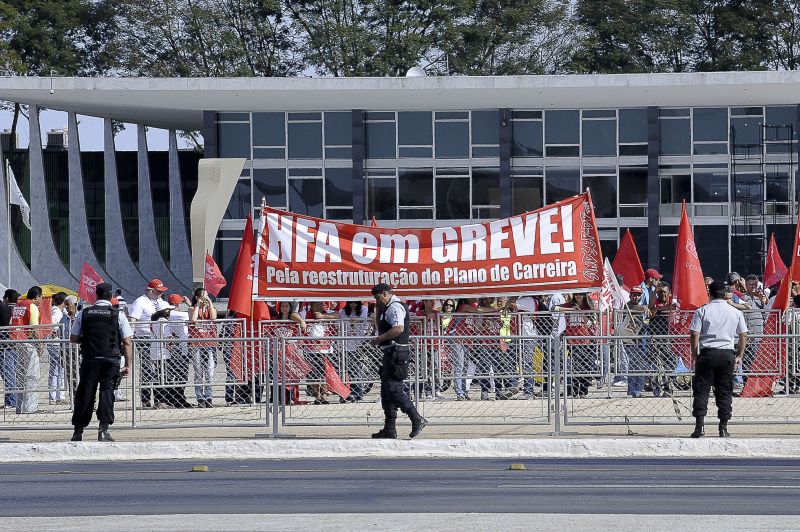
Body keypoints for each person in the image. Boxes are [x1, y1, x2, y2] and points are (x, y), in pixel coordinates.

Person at [69, 283, 133, 442]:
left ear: (95, 296)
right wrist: (128, 365)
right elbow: (127, 342)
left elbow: (74, 338)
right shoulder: (118, 314)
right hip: (111, 360)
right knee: (107, 393)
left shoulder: (84, 313)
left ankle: (78, 431)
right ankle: (103, 430)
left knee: (85, 394)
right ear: (110, 296)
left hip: (90, 359)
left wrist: (89, 340)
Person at [689, 280, 748, 438]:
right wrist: (739, 355)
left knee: (701, 390)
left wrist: (694, 353)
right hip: (727, 354)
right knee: (724, 391)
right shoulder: (735, 312)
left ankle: (699, 426)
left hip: (707, 353)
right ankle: (723, 427)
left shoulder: (703, 311)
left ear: (710, 293)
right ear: (725, 294)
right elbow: (743, 334)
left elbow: (695, 333)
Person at [369, 283, 426, 439]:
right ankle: (389, 428)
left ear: (386, 294)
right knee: (386, 392)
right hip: (390, 353)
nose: (376, 301)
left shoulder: (395, 307)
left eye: (378, 297)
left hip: (397, 353)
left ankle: (416, 418)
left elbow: (398, 328)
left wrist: (379, 339)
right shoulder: (385, 308)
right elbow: (382, 326)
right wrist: (378, 310)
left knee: (394, 389)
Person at [128, 279, 171, 407]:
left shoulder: (161, 302)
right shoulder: (140, 302)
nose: (160, 294)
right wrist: (131, 337)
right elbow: (133, 320)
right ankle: (146, 400)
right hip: (145, 338)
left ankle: (160, 400)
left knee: (160, 369)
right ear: (151, 291)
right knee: (147, 369)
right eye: (158, 292)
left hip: (159, 338)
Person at [11, 286, 43, 414]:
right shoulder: (32, 306)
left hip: (16, 341)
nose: (41, 300)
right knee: (32, 375)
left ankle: (20, 407)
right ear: (37, 296)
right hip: (28, 342)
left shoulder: (18, 305)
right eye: (41, 297)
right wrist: (40, 344)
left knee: (20, 374)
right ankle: (30, 408)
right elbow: (34, 327)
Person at [189, 288, 218, 407]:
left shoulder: (211, 308)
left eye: (207, 296)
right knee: (198, 372)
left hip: (209, 344)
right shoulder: (192, 309)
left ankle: (209, 397)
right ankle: (200, 397)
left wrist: (209, 303)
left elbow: (213, 318)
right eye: (203, 296)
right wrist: (198, 305)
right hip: (197, 344)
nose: (205, 298)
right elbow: (194, 320)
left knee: (209, 372)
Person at [48, 292, 68, 404]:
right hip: (56, 343)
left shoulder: (56, 310)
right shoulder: (56, 312)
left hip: (56, 343)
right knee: (57, 369)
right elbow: (52, 325)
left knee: (59, 369)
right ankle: (55, 396)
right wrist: (56, 332)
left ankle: (57, 395)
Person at [0, 289, 19, 409]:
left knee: (8, 373)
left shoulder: (4, 308)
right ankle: (10, 399)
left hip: (4, 344)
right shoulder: (18, 308)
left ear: (6, 298)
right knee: (11, 372)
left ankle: (11, 400)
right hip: (14, 343)